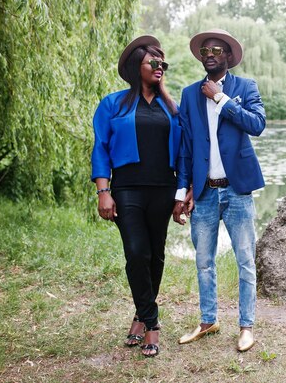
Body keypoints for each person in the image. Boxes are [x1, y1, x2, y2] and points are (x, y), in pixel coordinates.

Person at [173, 29, 265, 352]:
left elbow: (257, 124)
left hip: (238, 191)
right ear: (201, 57)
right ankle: (208, 320)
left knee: (244, 259)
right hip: (205, 194)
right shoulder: (188, 94)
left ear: (227, 55)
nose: (209, 53)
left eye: (216, 49)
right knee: (203, 260)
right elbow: (185, 148)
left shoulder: (244, 87)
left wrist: (221, 99)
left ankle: (246, 326)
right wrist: (181, 191)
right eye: (204, 49)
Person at [91, 35, 183, 357]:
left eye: (163, 64)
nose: (160, 68)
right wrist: (104, 191)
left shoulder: (173, 108)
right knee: (136, 252)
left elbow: (184, 153)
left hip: (163, 188)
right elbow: (100, 149)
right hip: (127, 188)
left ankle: (139, 316)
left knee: (156, 254)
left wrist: (182, 193)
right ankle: (153, 323)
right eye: (153, 62)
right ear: (137, 67)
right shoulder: (112, 104)